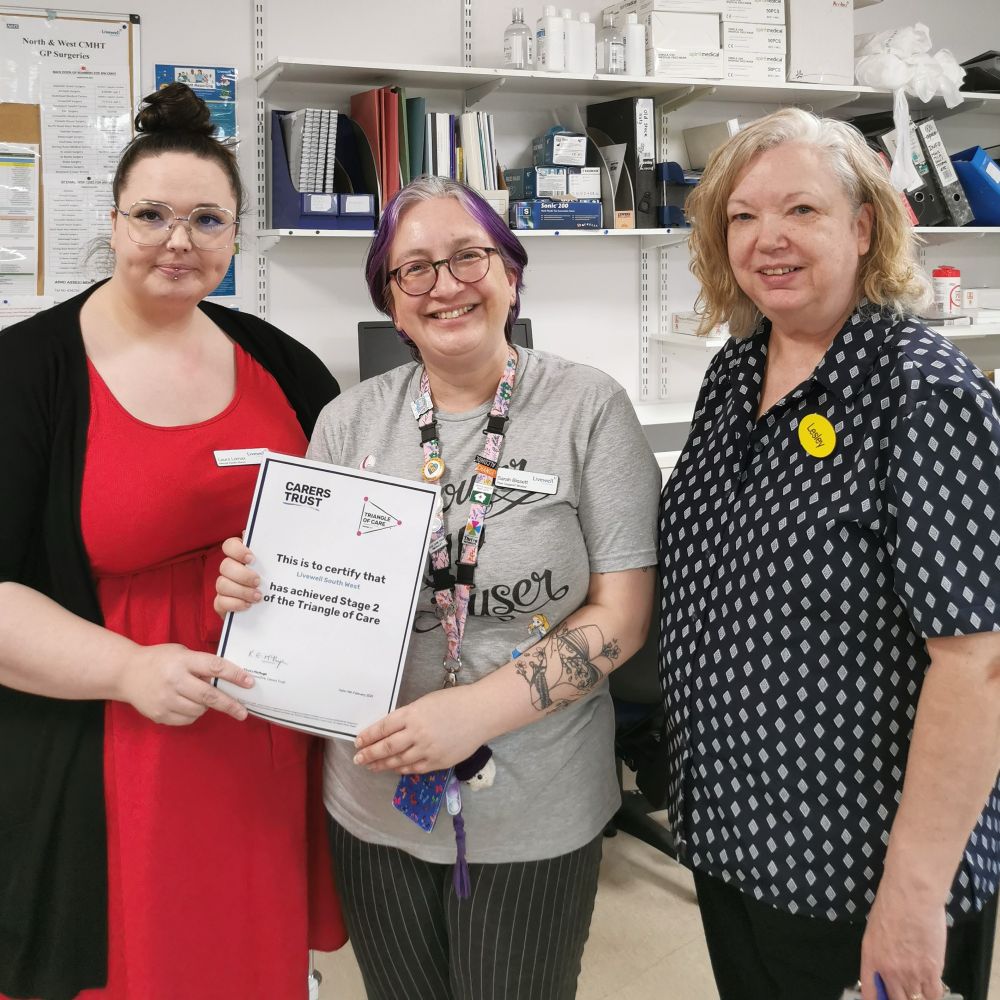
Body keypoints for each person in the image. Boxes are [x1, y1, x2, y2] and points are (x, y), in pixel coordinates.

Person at [215, 175, 661, 1000]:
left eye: (468, 257)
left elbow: (623, 620)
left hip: (535, 806)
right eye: (413, 269)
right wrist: (255, 589)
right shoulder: (349, 421)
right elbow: (307, 597)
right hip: (371, 799)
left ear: (512, 272)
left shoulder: (587, 406)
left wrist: (472, 715)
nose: (445, 285)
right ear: (391, 300)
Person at [0, 83, 345, 1000]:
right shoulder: (27, 372)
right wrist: (128, 670)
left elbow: (345, 516)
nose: (177, 239)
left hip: (262, 735)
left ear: (235, 236)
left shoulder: (279, 359)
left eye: (206, 218)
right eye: (151, 215)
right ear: (111, 223)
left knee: (246, 959)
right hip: (110, 732)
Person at [657, 106, 1000, 1000]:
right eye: (742, 215)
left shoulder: (922, 395)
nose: (768, 237)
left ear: (863, 225)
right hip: (734, 835)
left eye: (801, 210)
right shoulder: (735, 374)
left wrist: (914, 897)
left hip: (858, 868)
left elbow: (980, 666)